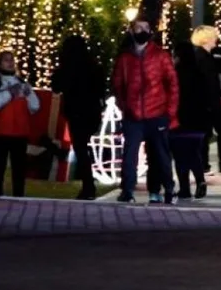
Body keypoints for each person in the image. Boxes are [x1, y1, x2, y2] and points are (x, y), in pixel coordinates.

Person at [110, 17, 178, 204]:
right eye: (138, 28)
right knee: (129, 155)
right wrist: (125, 107)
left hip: (157, 114)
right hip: (134, 116)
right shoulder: (125, 58)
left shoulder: (160, 56)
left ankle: (166, 189)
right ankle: (127, 190)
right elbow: (118, 85)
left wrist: (169, 112)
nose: (142, 31)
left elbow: (172, 84)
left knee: (160, 156)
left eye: (145, 27)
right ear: (132, 32)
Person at [51, 35, 105, 200]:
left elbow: (56, 87)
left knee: (81, 148)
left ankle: (88, 185)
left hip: (76, 112)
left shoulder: (67, 67)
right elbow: (100, 88)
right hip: (91, 111)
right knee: (83, 148)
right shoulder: (92, 66)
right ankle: (88, 184)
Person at [0, 49, 38, 197]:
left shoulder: (22, 82)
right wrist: (9, 93)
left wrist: (29, 95)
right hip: (0, 131)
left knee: (19, 169)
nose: (10, 63)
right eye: (6, 60)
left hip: (20, 132)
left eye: (12, 60)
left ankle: (19, 196)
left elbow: (35, 107)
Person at [190, 26, 221, 174]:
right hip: (207, 102)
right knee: (208, 133)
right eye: (214, 35)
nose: (216, 38)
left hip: (212, 100)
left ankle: (219, 162)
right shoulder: (201, 57)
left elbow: (213, 80)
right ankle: (208, 164)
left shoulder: (206, 56)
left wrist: (220, 93)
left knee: (218, 132)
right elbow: (205, 81)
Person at [170, 41, 210, 200]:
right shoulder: (199, 73)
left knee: (180, 156)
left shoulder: (174, 74)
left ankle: (185, 188)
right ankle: (200, 180)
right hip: (198, 121)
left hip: (180, 120)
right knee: (194, 153)